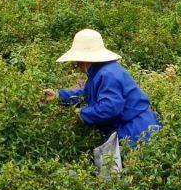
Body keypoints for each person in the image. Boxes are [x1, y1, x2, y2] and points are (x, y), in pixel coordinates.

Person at [42, 29, 161, 175]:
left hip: (136, 131)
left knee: (137, 176)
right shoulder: (101, 71)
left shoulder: (107, 74)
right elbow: (87, 93)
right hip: (134, 126)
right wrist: (60, 96)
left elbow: (109, 108)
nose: (75, 64)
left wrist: (83, 114)